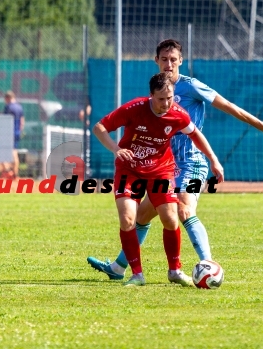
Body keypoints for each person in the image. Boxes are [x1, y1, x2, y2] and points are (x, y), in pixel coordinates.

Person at [88, 39, 263, 281]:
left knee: (183, 208)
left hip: (191, 162)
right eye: (164, 59)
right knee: (142, 216)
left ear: (181, 61)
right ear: (156, 61)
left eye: (173, 59)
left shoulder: (191, 86)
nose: (169, 64)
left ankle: (207, 264)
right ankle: (118, 267)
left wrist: (259, 124)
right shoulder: (159, 90)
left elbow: (228, 106)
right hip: (162, 165)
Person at [94, 72, 224, 286]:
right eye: (161, 99)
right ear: (151, 96)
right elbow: (99, 128)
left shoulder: (178, 114)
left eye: (170, 98)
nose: (166, 103)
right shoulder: (134, 108)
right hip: (130, 170)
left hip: (160, 170)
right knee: (128, 218)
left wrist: (213, 159)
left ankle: (174, 271)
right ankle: (137, 274)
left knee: (171, 217)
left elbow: (195, 135)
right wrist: (117, 150)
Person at [2, 90, 24, 179]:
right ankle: (15, 173)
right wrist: (19, 130)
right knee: (14, 151)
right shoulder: (19, 107)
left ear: (7, 98)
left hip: (8, 132)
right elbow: (22, 122)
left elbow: (5, 121)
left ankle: (7, 171)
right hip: (17, 132)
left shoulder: (8, 107)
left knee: (3, 151)